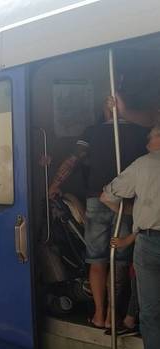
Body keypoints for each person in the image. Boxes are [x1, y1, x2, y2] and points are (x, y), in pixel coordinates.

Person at [48, 96, 149, 329]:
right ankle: (115, 315)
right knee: (120, 260)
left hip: (96, 199)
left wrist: (55, 184)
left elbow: (73, 159)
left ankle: (99, 314)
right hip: (127, 201)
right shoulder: (139, 132)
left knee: (97, 260)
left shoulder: (91, 132)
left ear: (105, 109)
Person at [101, 124, 160, 349]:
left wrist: (133, 216)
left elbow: (107, 196)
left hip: (148, 240)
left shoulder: (142, 165)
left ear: (154, 140)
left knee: (151, 313)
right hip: (146, 237)